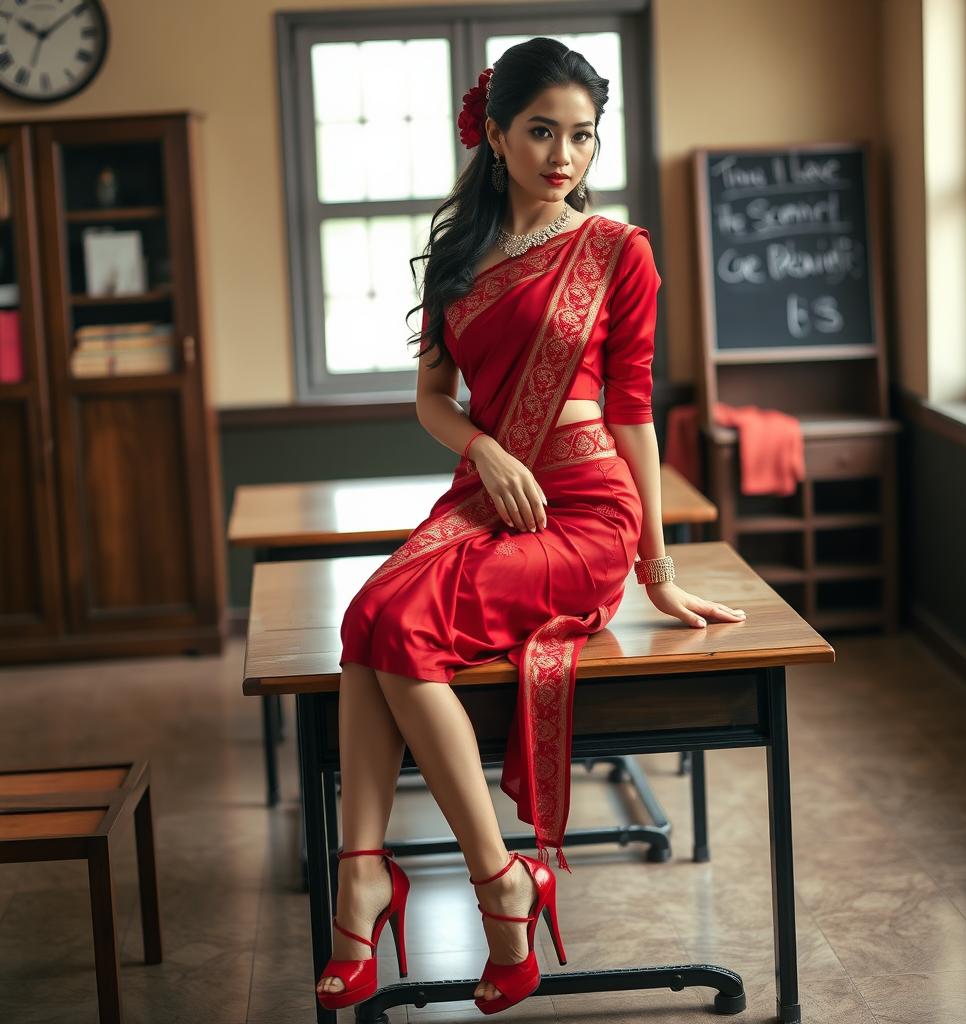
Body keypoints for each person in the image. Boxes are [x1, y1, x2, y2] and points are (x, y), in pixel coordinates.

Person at [316, 36, 747, 1015]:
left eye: (583, 136)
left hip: (585, 516)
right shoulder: (458, 256)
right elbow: (431, 398)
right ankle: (381, 872)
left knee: (390, 625)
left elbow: (632, 410)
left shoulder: (616, 252)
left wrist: (655, 567)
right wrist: (486, 449)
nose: (564, 155)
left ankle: (473, 884)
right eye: (542, 131)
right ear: (496, 135)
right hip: (487, 496)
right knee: (369, 618)